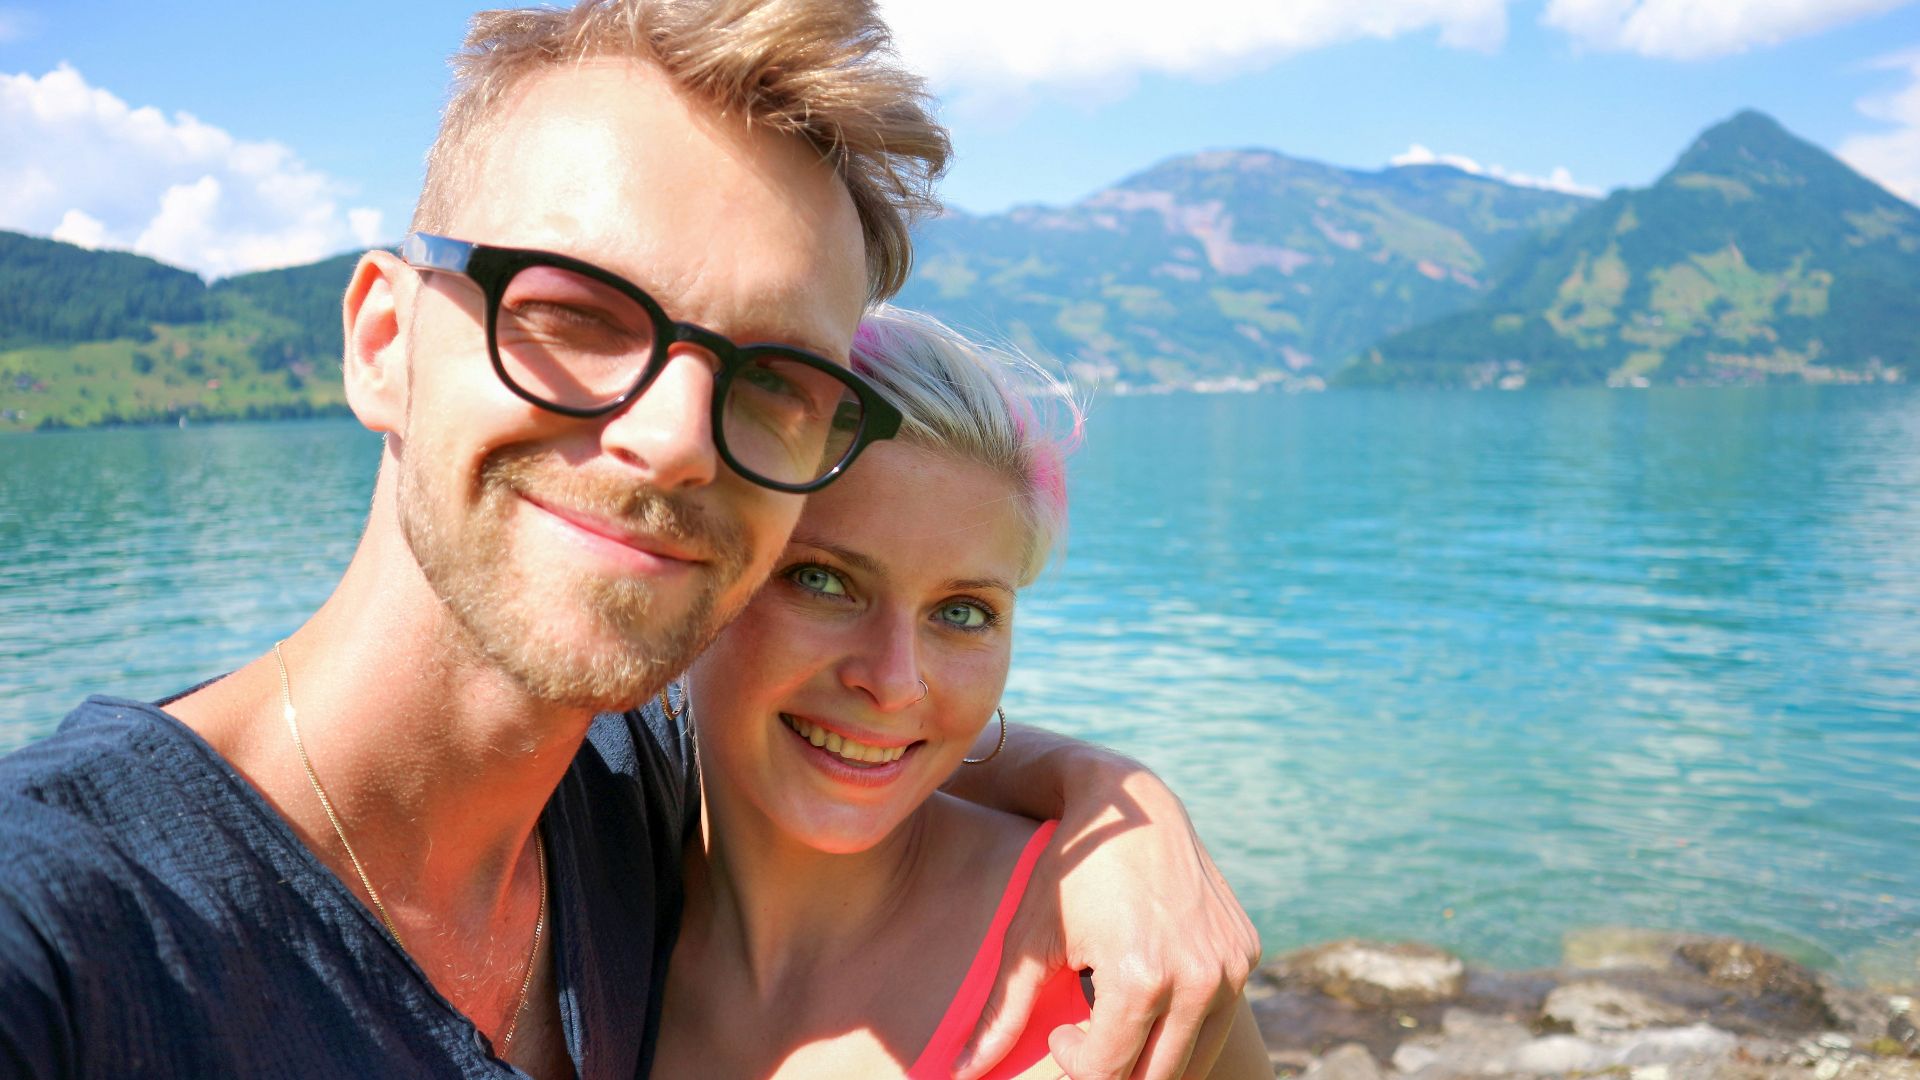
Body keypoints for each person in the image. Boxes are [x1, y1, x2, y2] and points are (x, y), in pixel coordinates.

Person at [0, 3, 1258, 1079]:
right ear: (384, 342)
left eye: (774, 376)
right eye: (575, 312)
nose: (673, 441)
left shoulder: (624, 801)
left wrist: (1118, 811)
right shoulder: (63, 937)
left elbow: (870, 725)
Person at [653, 308, 1272, 1079]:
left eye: (963, 612)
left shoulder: (1124, 972)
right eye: (822, 580)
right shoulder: (585, 891)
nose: (894, 682)